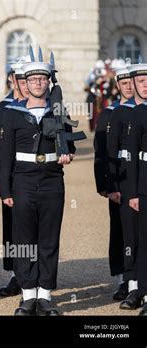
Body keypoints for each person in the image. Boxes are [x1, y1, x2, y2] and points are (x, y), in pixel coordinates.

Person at [0, 56, 76, 316]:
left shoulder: (59, 111)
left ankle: (45, 295)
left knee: (49, 239)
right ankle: (27, 295)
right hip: (23, 180)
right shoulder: (11, 114)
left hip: (52, 180)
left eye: (42, 79)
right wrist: (6, 190)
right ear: (25, 83)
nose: (38, 83)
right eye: (32, 79)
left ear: (48, 82)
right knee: (23, 240)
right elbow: (5, 154)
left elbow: (71, 146)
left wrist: (67, 153)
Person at [106, 61, 147, 310]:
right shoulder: (122, 112)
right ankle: (133, 286)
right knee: (131, 237)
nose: (144, 85)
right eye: (140, 81)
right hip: (130, 180)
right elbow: (111, 153)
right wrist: (112, 185)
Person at [0, 57, 29, 298]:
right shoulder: (1, 108)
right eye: (20, 77)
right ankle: (15, 273)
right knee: (12, 227)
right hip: (10, 177)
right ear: (11, 79)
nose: (24, 82)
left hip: (34, 175)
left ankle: (34, 274)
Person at [93, 64, 133, 301]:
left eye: (132, 82)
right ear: (118, 86)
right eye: (124, 83)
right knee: (119, 230)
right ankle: (122, 279)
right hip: (118, 179)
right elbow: (101, 152)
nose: (129, 87)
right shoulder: (109, 113)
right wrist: (105, 185)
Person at [124, 59, 147, 316]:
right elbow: (131, 157)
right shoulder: (137, 114)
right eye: (141, 81)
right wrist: (132, 193)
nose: (146, 85)